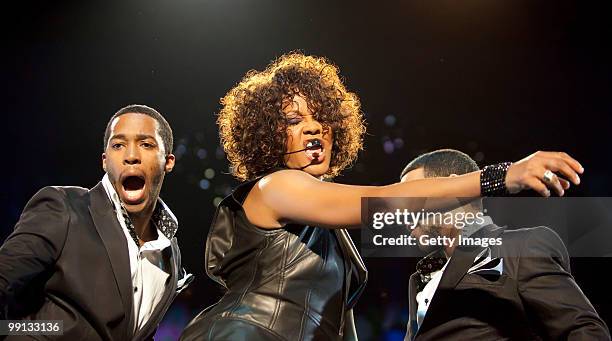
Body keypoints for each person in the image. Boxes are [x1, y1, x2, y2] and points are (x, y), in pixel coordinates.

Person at [180, 52, 583, 341]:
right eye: (293, 120)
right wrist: (499, 176)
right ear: (268, 134)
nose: (314, 129)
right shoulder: (275, 186)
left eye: (323, 119)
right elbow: (385, 199)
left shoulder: (325, 226)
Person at [0, 105, 192, 340]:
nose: (131, 155)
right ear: (105, 160)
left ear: (168, 161)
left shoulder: (170, 252)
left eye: (146, 144)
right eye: (118, 145)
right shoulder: (64, 207)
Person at [400, 149, 610, 340]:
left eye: (413, 197)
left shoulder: (519, 249)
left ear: (454, 190)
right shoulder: (418, 280)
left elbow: (586, 331)